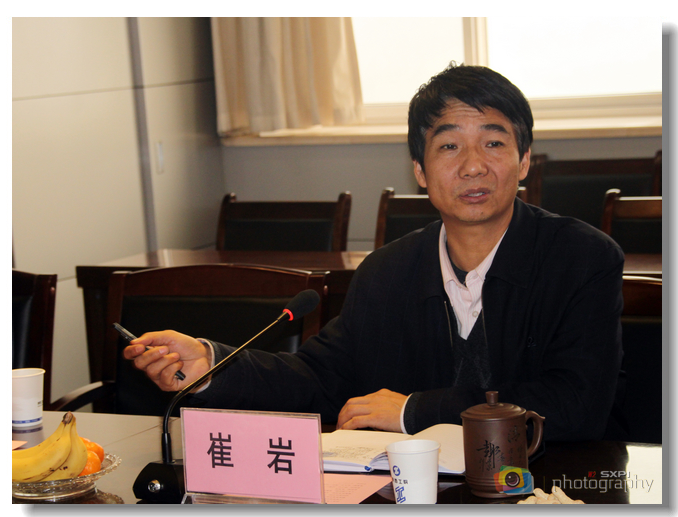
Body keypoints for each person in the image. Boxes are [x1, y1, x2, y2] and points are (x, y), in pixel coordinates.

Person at [124, 63, 624, 441]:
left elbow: (576, 405)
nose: (473, 166)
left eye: (494, 143)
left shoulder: (582, 259)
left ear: (524, 161)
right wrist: (213, 364)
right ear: (420, 171)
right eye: (449, 147)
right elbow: (319, 379)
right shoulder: (388, 271)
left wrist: (413, 411)